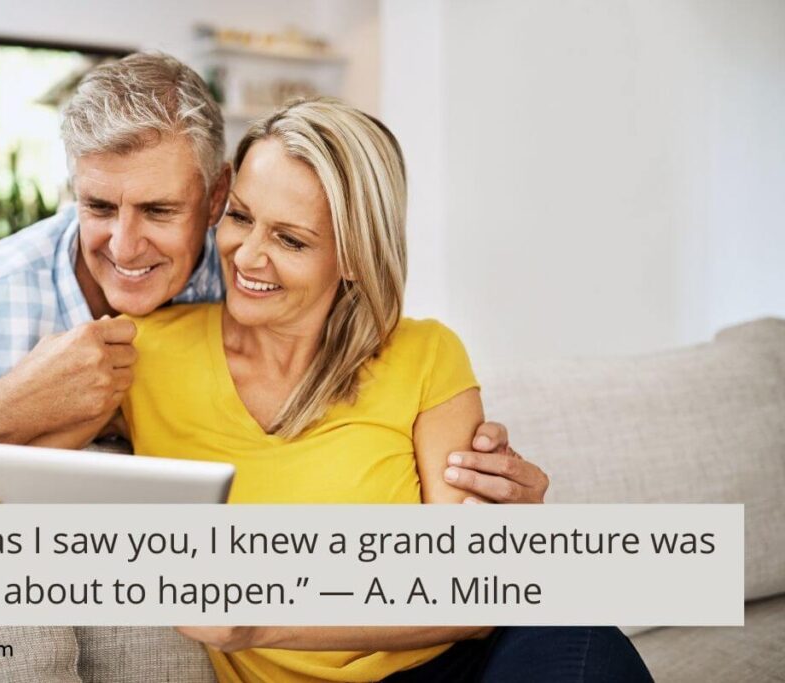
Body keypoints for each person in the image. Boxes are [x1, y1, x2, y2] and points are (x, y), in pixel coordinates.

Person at [37, 97, 652, 682]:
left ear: (355, 255)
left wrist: (258, 622)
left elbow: (474, 598)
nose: (248, 256)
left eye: (290, 239)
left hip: (464, 667)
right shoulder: (141, 350)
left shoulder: (426, 353)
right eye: (242, 218)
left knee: (584, 637)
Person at [0, 52, 549, 507]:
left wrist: (495, 495)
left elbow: (364, 340)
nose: (125, 243)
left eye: (160, 210)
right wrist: (5, 405)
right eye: (99, 206)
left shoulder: (241, 266)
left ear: (214, 198)